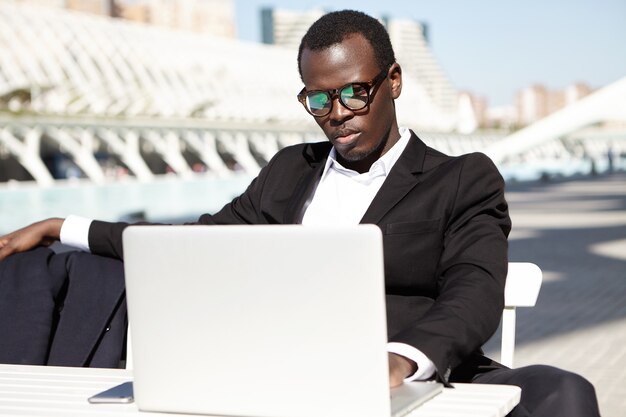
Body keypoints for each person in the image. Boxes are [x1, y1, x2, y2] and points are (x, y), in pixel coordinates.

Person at [0, 9, 599, 417]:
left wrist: (398, 360)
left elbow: (473, 292)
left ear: (392, 81)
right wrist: (64, 227)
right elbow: (197, 242)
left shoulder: (461, 177)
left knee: (563, 392)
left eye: (353, 92)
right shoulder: (291, 169)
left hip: (416, 382)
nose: (336, 112)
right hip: (278, 378)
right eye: (317, 98)